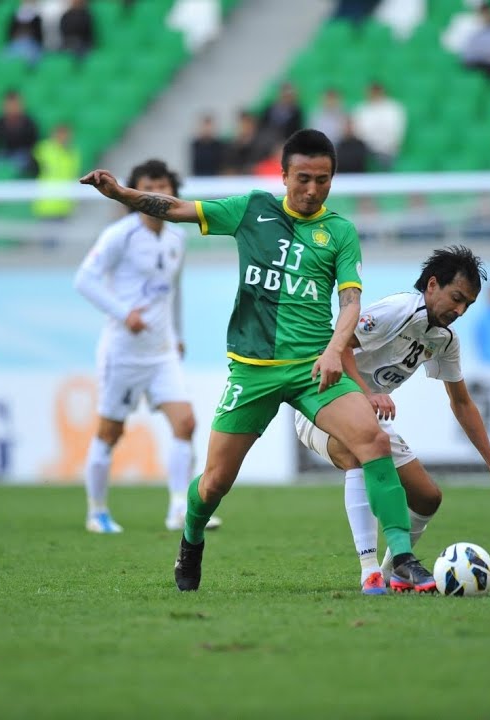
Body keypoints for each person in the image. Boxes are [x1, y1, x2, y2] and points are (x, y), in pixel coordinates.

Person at [80, 128, 438, 593]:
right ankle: (190, 541)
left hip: (314, 369)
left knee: (373, 441)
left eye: (323, 180)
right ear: (284, 175)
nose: (312, 190)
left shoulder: (341, 233)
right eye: (303, 178)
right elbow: (176, 209)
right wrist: (122, 193)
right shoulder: (251, 209)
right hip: (253, 371)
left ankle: (402, 559)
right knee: (214, 483)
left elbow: (351, 303)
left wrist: (333, 349)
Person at [294, 245, 490, 594]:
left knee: (428, 498)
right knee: (360, 451)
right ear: (432, 285)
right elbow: (338, 344)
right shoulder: (399, 309)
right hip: (322, 403)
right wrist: (365, 393)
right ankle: (369, 570)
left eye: (468, 305)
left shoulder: (445, 340)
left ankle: (394, 571)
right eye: (456, 298)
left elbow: (461, 402)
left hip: (368, 419)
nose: (460, 310)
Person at [72, 159, 222, 534]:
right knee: (110, 432)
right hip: (122, 351)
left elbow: (174, 293)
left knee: (185, 422)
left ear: (172, 190)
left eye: (162, 183)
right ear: (133, 192)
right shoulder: (119, 235)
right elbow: (84, 280)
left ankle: (177, 509)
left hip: (162, 352)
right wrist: (125, 313)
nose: (155, 189)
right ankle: (97, 511)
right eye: (147, 184)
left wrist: (179, 334)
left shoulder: (177, 237)